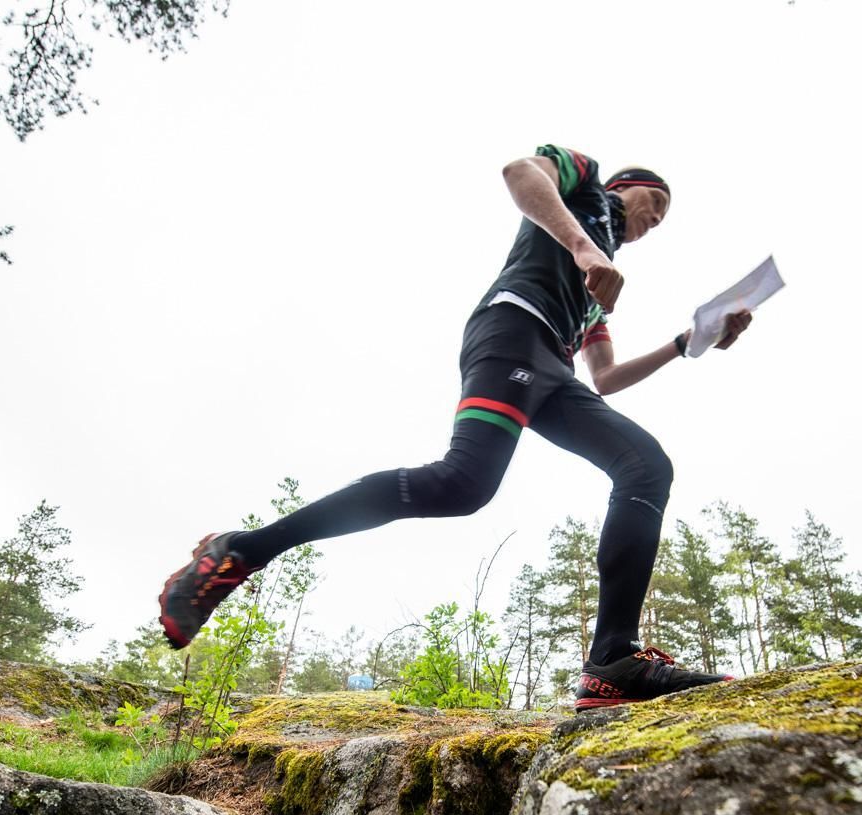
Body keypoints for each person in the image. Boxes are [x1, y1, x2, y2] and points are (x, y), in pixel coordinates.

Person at [158, 144, 753, 711]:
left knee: (645, 465)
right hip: (511, 330)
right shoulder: (586, 181)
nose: (657, 221)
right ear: (631, 187)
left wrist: (687, 343)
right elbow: (519, 171)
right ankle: (238, 552)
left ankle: (611, 664)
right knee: (462, 484)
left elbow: (609, 377)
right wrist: (582, 246)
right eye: (659, 206)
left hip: (555, 367)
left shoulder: (597, 292)